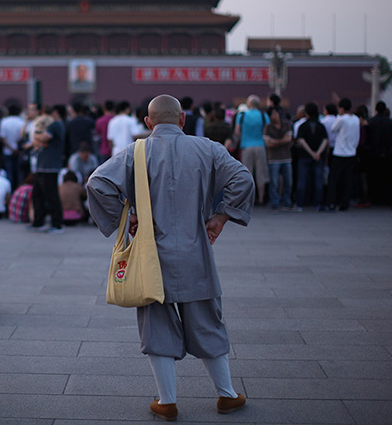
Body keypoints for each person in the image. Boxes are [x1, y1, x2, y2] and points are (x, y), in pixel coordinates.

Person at [87, 94, 254, 421]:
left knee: (157, 326)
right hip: (196, 253)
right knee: (208, 323)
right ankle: (227, 395)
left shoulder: (136, 151)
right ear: (182, 120)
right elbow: (242, 179)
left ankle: (167, 402)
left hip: (152, 255)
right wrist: (220, 217)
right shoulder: (208, 148)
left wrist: (126, 217)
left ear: (148, 123)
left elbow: (98, 183)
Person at [28, 105, 66, 233]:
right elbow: (41, 141)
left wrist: (35, 135)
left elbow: (43, 138)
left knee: (51, 195)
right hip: (43, 165)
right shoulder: (54, 125)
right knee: (37, 195)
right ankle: (38, 222)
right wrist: (39, 139)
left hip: (50, 166)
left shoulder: (56, 125)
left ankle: (57, 224)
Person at [325, 98, 360, 211]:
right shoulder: (356, 119)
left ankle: (331, 202)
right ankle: (345, 203)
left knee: (334, 179)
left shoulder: (342, 119)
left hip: (339, 153)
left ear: (342, 108)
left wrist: (339, 116)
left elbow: (333, 128)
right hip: (351, 152)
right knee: (347, 180)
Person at [234, 94, 269, 205]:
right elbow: (265, 132)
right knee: (261, 173)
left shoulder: (242, 115)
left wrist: (242, 139)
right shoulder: (263, 115)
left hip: (246, 146)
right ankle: (261, 198)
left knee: (248, 173)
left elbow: (237, 131)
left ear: (248, 104)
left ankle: (249, 200)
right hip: (260, 146)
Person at [295, 102, 328, 211]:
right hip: (318, 157)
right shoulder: (321, 126)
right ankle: (318, 204)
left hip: (304, 156)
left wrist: (310, 152)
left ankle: (300, 204)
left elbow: (301, 141)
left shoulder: (302, 126)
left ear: (306, 113)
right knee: (318, 180)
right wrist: (317, 153)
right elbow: (325, 140)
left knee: (302, 180)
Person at [366, 101, 392, 206]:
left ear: (375, 109)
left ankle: (374, 198)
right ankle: (387, 198)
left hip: (373, 155)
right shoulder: (391, 122)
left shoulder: (371, 122)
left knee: (374, 178)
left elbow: (368, 139)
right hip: (388, 155)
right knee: (387, 178)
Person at [264, 106, 294, 211]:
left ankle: (286, 201)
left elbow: (289, 139)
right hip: (274, 158)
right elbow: (268, 143)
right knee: (274, 182)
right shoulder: (268, 127)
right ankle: (275, 202)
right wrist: (282, 141)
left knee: (288, 182)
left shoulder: (286, 124)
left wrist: (275, 141)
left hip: (286, 157)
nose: (275, 116)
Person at [0, 102, 25, 189]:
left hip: (8, 151)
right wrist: (17, 149)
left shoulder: (4, 121)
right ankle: (18, 190)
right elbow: (22, 137)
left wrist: (11, 148)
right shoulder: (22, 121)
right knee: (19, 173)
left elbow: (2, 138)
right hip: (20, 151)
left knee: (9, 173)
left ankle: (9, 191)